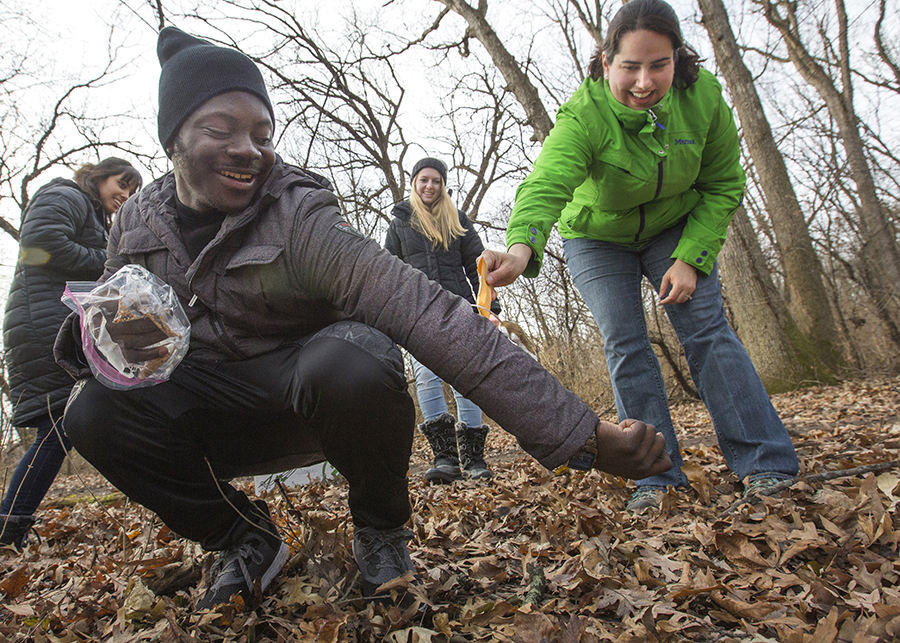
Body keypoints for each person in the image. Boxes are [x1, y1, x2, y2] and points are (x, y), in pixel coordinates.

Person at [55, 26, 670, 608]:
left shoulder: (298, 217)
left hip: (319, 401)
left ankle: (380, 528)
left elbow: (430, 315)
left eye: (263, 134)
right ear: (173, 141)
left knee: (349, 362)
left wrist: (580, 436)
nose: (248, 151)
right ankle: (242, 537)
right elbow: (120, 338)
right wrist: (98, 342)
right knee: (90, 410)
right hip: (215, 410)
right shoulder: (134, 226)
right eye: (222, 130)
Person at [481, 0, 799, 513]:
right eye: (629, 66)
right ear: (606, 63)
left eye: (659, 64)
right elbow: (545, 185)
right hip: (597, 238)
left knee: (706, 328)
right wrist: (522, 248)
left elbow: (723, 185)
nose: (644, 81)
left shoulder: (704, 100)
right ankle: (656, 477)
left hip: (675, 225)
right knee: (625, 341)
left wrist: (691, 258)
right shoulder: (584, 115)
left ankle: (765, 463)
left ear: (679, 59)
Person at [1, 158, 142, 548]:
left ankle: (11, 521)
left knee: (67, 423)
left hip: (55, 324)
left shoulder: (93, 217)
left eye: (132, 191)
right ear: (99, 176)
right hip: (43, 328)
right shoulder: (66, 193)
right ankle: (8, 523)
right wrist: (109, 267)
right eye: (121, 183)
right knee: (60, 424)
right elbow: (41, 244)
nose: (125, 195)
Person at [384, 157, 500, 482]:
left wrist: (489, 308)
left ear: (443, 185)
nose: (430, 186)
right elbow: (388, 271)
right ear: (414, 183)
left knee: (466, 382)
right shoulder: (400, 224)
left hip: (460, 310)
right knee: (427, 379)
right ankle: (445, 459)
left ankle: (475, 460)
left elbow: (479, 266)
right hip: (417, 315)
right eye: (424, 180)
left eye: (436, 180)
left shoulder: (458, 220)